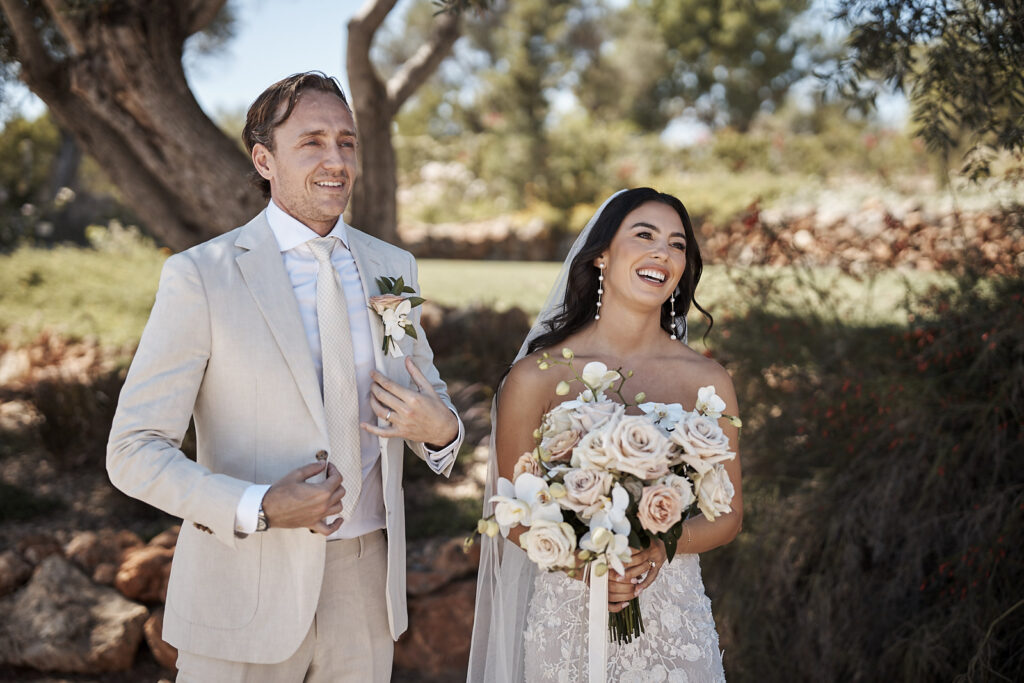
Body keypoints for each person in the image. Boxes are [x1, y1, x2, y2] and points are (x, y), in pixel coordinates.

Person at [107, 72, 463, 682]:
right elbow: (133, 451)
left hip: (364, 585)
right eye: (313, 142)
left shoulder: (390, 268)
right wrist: (262, 505)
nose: (336, 161)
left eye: (347, 142)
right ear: (264, 159)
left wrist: (440, 431)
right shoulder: (202, 276)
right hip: (243, 583)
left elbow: (424, 390)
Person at [468, 188, 743, 681]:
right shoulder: (537, 377)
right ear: (600, 255)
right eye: (644, 235)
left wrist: (660, 548)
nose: (663, 252)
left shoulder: (707, 381)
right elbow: (509, 513)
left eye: (678, 244)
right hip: (569, 622)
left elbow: (728, 518)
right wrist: (586, 564)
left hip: (673, 620)